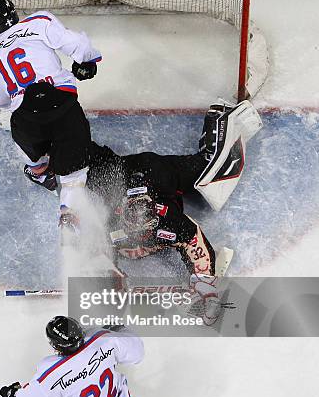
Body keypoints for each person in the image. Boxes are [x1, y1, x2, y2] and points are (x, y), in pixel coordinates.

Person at [26, 99, 262, 324]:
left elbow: (194, 241)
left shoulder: (169, 219)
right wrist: (111, 280)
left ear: (156, 216)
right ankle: (43, 154)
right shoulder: (107, 215)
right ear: (121, 213)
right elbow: (98, 256)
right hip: (119, 172)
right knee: (78, 163)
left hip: (156, 173)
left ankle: (220, 118)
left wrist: (205, 287)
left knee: (209, 170)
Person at [0, 0, 102, 228]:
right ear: (15, 14)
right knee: (73, 177)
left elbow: (1, 101)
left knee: (22, 133)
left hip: (26, 120)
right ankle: (69, 218)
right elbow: (78, 45)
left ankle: (39, 169)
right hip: (62, 107)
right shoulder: (37, 21)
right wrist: (87, 61)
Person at [0, 316, 144, 397]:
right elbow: (137, 352)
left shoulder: (53, 373)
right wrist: (119, 329)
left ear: (56, 346)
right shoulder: (105, 338)